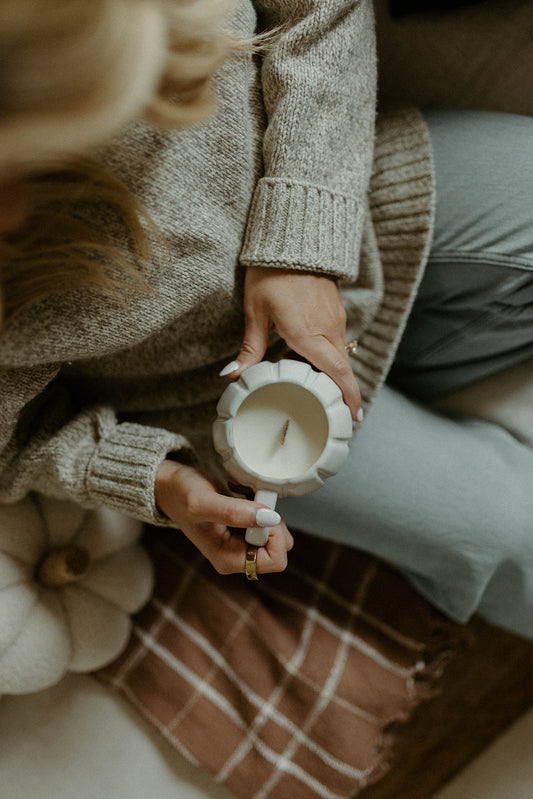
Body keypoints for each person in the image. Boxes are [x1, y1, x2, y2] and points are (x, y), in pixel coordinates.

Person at [0, 0, 532, 638]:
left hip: (360, 200)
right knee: (508, 538)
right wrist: (159, 480)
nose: (10, 215)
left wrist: (303, 244)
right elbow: (13, 445)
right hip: (234, 421)